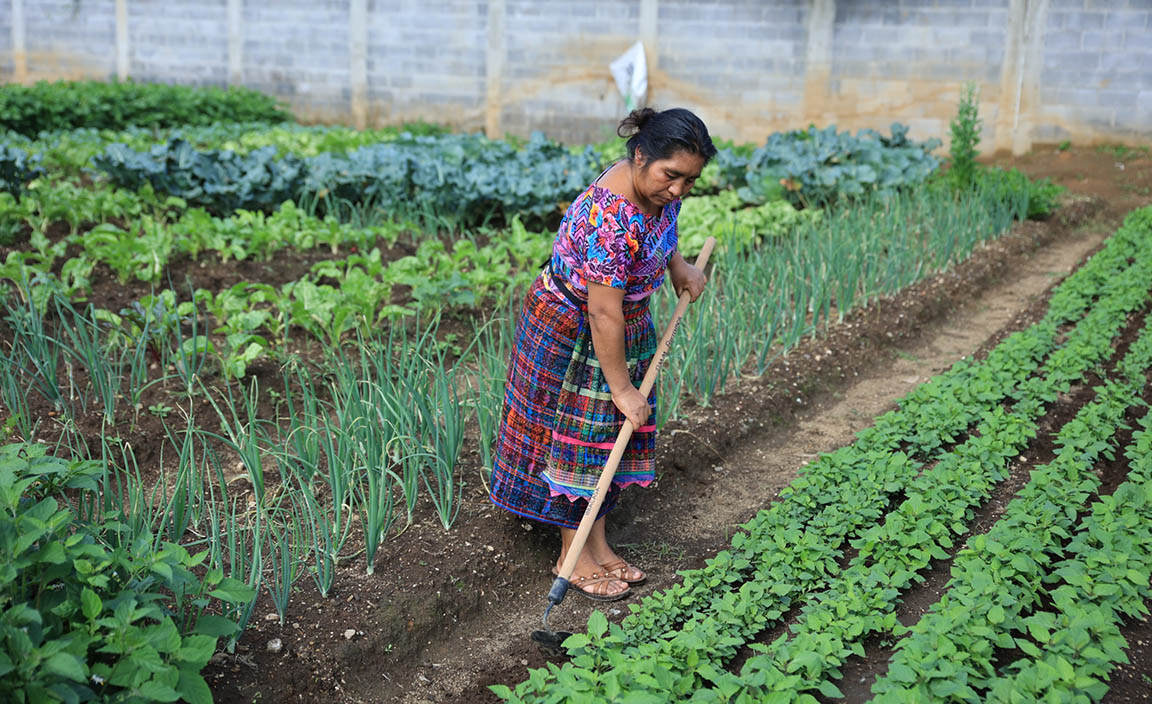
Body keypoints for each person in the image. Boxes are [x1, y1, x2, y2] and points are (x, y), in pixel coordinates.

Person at [488, 107, 717, 600]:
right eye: (671, 175)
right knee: (582, 436)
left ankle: (598, 543)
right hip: (576, 326)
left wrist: (677, 266)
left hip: (618, 320)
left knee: (608, 434)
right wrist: (621, 388)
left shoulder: (656, 191)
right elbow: (602, 312)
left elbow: (662, 228)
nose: (679, 189)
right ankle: (572, 556)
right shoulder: (610, 217)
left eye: (690, 180)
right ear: (640, 156)